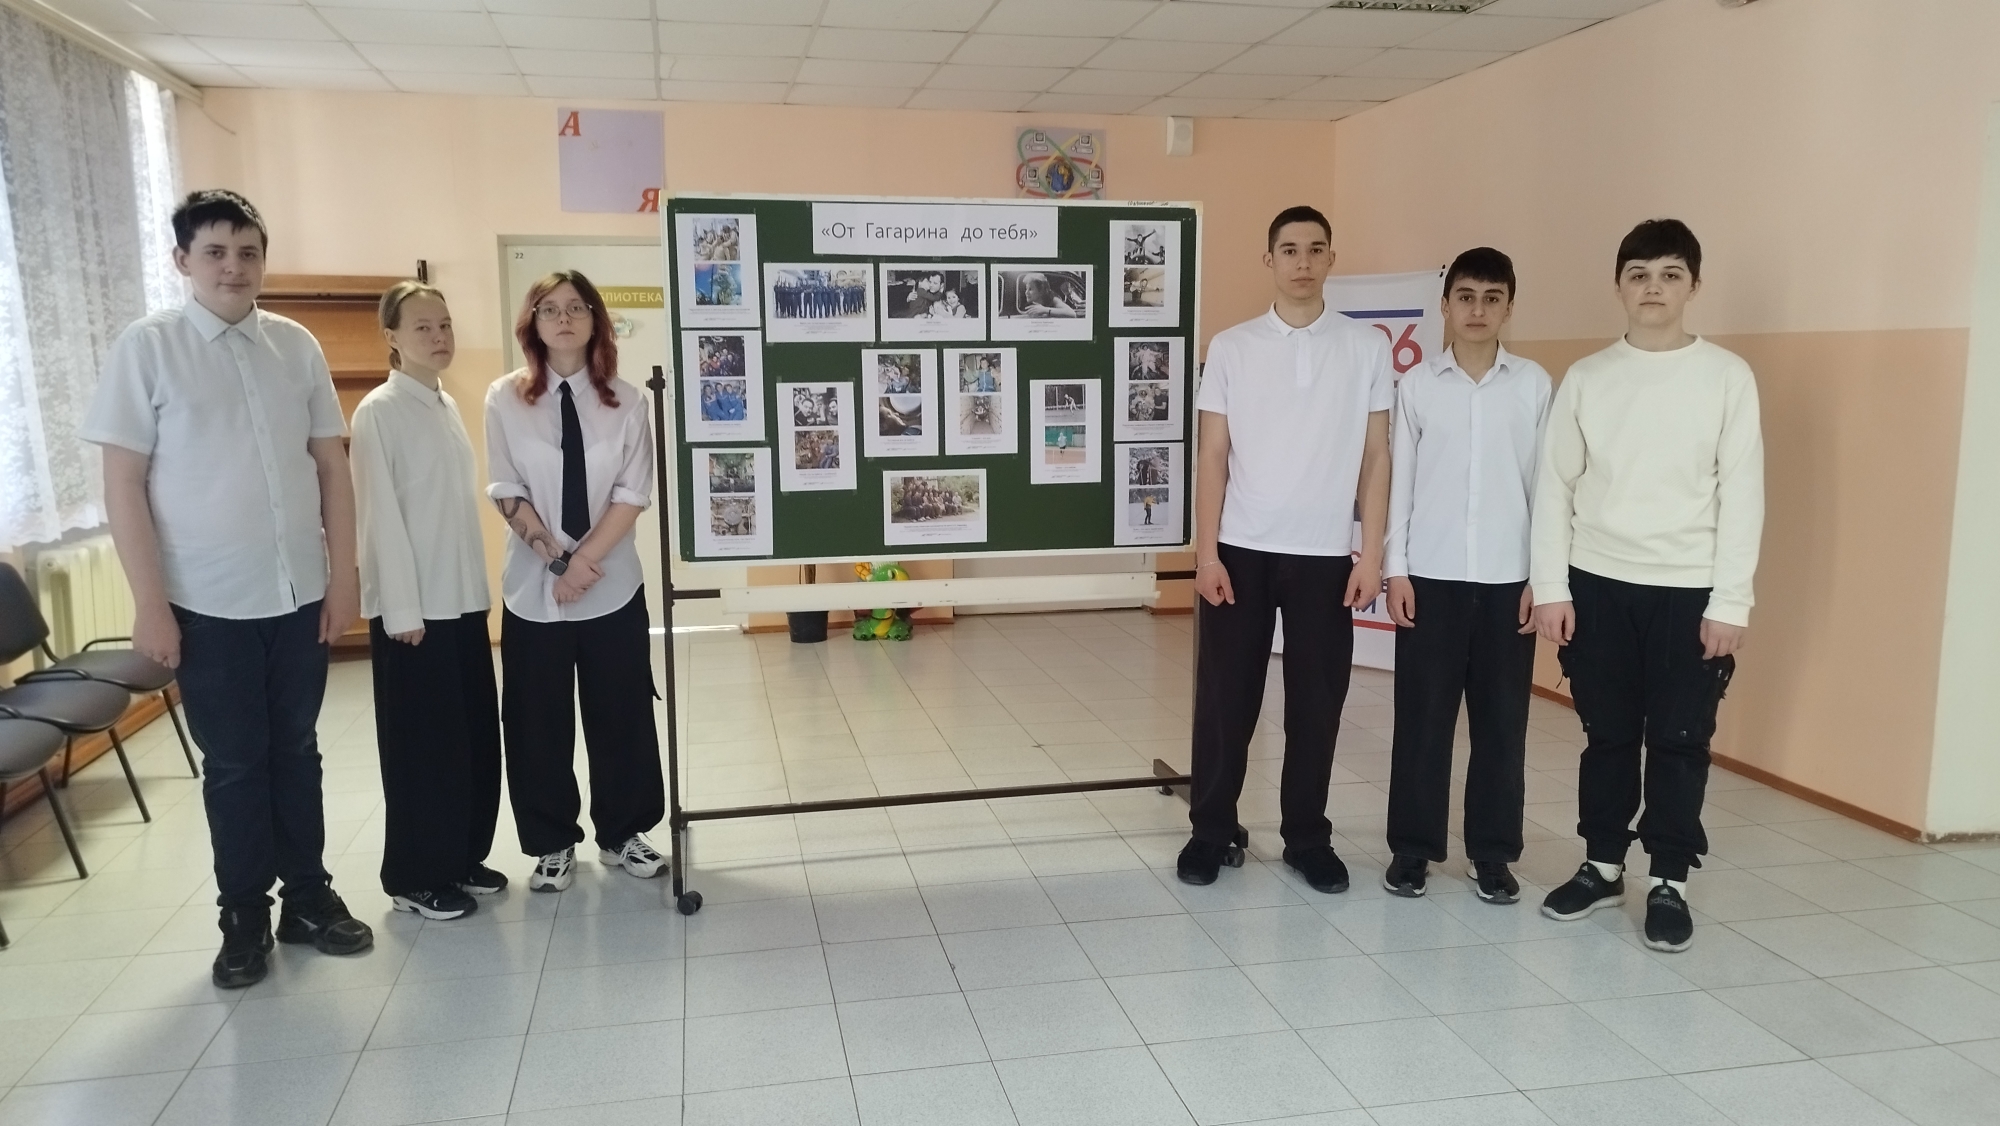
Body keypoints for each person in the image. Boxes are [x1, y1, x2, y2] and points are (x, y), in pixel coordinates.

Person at [84, 190, 373, 988]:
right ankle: (243, 914)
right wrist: (150, 605)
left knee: (298, 751)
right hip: (205, 602)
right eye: (215, 252)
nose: (233, 267)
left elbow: (331, 468)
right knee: (237, 763)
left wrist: (342, 579)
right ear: (183, 260)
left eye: (248, 253)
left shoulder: (295, 345)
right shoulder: (149, 348)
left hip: (298, 592)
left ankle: (308, 898)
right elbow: (123, 484)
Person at [1530, 219, 1764, 952]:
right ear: (1619, 286)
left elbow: (1744, 494)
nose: (1653, 287)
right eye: (1639, 274)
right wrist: (1551, 587)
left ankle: (1669, 878)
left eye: (1669, 274)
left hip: (1690, 591)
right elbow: (1554, 488)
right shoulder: (1588, 378)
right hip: (1598, 584)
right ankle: (1603, 866)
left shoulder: (1726, 376)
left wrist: (1731, 600)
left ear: (1694, 285)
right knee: (1607, 737)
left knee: (1679, 740)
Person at [1180, 205, 1394, 892]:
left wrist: (1370, 555)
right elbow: (1212, 455)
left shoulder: (1365, 347)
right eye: (1290, 249)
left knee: (1316, 704)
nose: (1303, 262)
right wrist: (1206, 554)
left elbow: (1377, 457)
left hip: (1326, 555)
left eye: (1315, 249)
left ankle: (1307, 838)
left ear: (1331, 258)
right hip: (1240, 551)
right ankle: (1211, 830)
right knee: (1225, 702)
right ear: (1268, 259)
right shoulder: (1233, 346)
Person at [485, 270, 666, 893]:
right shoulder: (505, 398)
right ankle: (551, 842)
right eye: (549, 309)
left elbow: (633, 492)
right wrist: (557, 562)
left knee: (621, 712)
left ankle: (624, 832)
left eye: (576, 307)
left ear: (595, 321)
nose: (563, 319)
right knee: (536, 720)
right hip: (532, 589)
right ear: (532, 323)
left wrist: (584, 563)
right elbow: (505, 488)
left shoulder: (627, 400)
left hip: (612, 585)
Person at [1381, 249, 1553, 904]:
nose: (1478, 309)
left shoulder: (1533, 385)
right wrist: (1397, 570)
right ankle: (1412, 849)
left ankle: (1492, 853)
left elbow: (1547, 491)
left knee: (1503, 726)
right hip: (1431, 578)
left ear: (1509, 306)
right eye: (1466, 296)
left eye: (1492, 297)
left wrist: (1543, 578)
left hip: (1509, 583)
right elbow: (1400, 484)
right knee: (1422, 722)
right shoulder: (1417, 386)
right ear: (1446, 305)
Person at [349, 281, 505, 921]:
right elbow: (379, 518)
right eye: (422, 327)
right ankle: (415, 876)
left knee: (471, 740)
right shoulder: (379, 411)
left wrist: (478, 597)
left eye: (444, 324)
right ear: (391, 337)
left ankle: (460, 857)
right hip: (414, 615)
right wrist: (402, 610)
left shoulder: (444, 404)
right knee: (423, 750)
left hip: (460, 602)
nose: (439, 337)